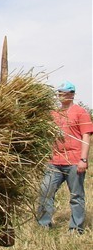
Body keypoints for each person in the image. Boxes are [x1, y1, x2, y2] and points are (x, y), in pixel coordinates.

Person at [37, 81, 92, 233]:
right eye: (59, 93)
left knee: (76, 195)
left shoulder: (81, 112)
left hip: (74, 161)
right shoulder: (54, 114)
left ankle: (75, 228)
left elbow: (86, 136)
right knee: (45, 191)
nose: (60, 96)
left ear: (72, 94)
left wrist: (83, 159)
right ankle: (44, 224)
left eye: (64, 93)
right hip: (54, 161)